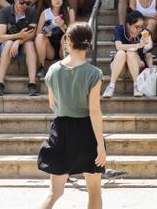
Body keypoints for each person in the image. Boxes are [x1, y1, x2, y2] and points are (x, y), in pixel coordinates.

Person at [38, 22, 106, 209]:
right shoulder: (94, 73)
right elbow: (94, 111)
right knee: (94, 191)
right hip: (86, 132)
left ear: (67, 40)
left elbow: (52, 104)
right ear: (89, 42)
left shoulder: (53, 70)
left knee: (54, 192)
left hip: (61, 129)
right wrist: (100, 144)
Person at [0, 0, 40, 97]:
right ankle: (0, 82)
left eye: (28, 3)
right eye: (22, 2)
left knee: (29, 44)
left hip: (23, 46)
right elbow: (1, 37)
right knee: (8, 42)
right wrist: (18, 36)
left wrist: (18, 41)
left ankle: (32, 83)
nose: (25, 5)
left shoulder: (33, 13)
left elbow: (31, 35)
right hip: (5, 47)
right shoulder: (4, 11)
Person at [103, 10, 151, 98]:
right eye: (137, 27)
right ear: (128, 25)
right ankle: (111, 86)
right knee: (121, 53)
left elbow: (148, 53)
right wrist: (138, 45)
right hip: (120, 67)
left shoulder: (144, 32)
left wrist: (150, 67)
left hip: (136, 66)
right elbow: (118, 47)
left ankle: (137, 86)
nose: (139, 29)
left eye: (141, 26)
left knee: (130, 52)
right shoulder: (120, 29)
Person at [34, 0, 73, 77]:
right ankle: (41, 67)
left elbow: (73, 34)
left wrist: (63, 26)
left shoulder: (69, 11)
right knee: (40, 37)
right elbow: (37, 33)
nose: (57, 0)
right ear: (50, 0)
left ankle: (68, 66)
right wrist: (46, 34)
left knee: (66, 37)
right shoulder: (45, 13)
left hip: (62, 48)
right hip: (49, 49)